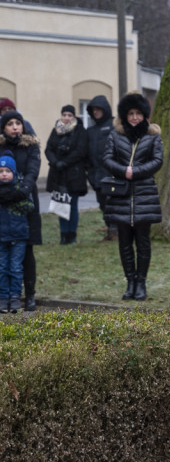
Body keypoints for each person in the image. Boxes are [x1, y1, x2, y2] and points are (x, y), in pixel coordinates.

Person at [103, 93, 163, 301]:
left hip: (144, 195)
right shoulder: (115, 135)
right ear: (125, 115)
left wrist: (135, 172)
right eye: (131, 113)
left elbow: (157, 160)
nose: (135, 117)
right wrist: (123, 171)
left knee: (143, 242)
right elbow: (107, 158)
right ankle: (130, 281)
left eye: (138, 113)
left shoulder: (152, 135)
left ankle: (141, 283)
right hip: (121, 196)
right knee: (125, 243)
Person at [0, 111, 40, 311]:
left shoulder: (30, 146)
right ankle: (5, 294)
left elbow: (33, 170)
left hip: (26, 202)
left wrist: (22, 189)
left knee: (27, 251)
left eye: (18, 123)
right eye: (10, 124)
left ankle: (29, 294)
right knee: (3, 256)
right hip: (2, 206)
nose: (15, 127)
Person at [44, 105, 89, 245]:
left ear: (74, 117)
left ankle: (72, 235)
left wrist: (65, 162)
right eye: (64, 115)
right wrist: (56, 162)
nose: (66, 118)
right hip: (58, 173)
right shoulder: (55, 130)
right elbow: (48, 149)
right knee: (60, 204)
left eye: (69, 115)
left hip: (74, 174)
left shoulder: (80, 131)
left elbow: (81, 151)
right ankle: (63, 235)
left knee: (72, 205)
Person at [0, 151, 33, 313]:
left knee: (15, 268)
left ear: (13, 173)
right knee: (2, 267)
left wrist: (14, 198)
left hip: (18, 235)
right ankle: (3, 297)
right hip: (1, 236)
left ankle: (15, 297)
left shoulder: (21, 189)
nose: (4, 175)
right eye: (1, 171)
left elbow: (29, 206)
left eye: (7, 171)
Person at [85, 95, 117, 241]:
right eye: (93, 110)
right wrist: (90, 175)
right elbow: (86, 155)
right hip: (97, 176)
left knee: (114, 204)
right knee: (103, 204)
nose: (96, 112)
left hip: (112, 175)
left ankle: (117, 231)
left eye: (98, 109)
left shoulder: (114, 126)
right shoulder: (90, 131)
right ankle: (110, 231)